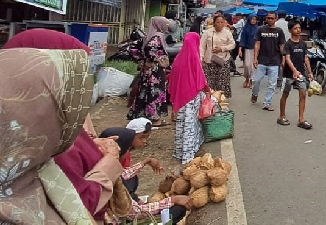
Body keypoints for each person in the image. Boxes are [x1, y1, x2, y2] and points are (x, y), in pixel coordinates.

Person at [0, 46, 121, 224]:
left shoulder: (31, 163)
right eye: (59, 102)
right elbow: (84, 201)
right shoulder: (49, 154)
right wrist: (109, 163)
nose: (72, 112)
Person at [100, 127, 191, 224]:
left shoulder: (101, 167)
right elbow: (133, 213)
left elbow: (124, 174)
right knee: (178, 210)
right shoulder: (108, 180)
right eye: (127, 149)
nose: (127, 153)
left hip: (124, 213)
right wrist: (172, 200)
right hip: (121, 219)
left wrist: (146, 161)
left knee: (132, 178)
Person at [169, 32, 210, 164]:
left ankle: (179, 151)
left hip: (180, 97)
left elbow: (172, 79)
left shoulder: (178, 58)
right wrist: (207, 90)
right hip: (192, 97)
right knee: (190, 124)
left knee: (181, 124)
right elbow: (200, 78)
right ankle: (188, 154)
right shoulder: (194, 58)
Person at [128, 16, 171, 126]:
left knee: (145, 92)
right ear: (159, 25)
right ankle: (155, 119)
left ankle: (141, 116)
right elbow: (150, 49)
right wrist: (155, 59)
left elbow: (132, 47)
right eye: (165, 24)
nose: (167, 26)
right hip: (155, 71)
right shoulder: (157, 37)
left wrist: (141, 59)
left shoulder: (149, 36)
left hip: (147, 70)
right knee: (155, 92)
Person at [278, 21, 314, 129]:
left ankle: (301, 119)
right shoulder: (288, 44)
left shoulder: (303, 44)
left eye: (299, 28)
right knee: (285, 94)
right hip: (288, 75)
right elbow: (287, 59)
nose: (298, 30)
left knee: (303, 94)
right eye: (295, 28)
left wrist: (310, 72)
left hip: (301, 75)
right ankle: (281, 116)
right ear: (290, 30)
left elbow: (306, 58)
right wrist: (294, 71)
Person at [121, 118, 164, 199]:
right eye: (141, 137)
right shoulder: (121, 152)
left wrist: (147, 161)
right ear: (131, 136)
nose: (145, 141)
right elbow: (120, 177)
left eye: (147, 137)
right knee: (131, 179)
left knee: (133, 178)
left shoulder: (127, 150)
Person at [252, 11, 286, 111]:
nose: (270, 20)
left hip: (275, 61)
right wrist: (255, 58)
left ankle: (267, 103)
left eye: (272, 18)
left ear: (276, 19)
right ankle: (255, 94)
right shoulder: (260, 29)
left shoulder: (279, 31)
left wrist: (283, 58)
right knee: (256, 81)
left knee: (272, 84)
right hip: (262, 60)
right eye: (268, 18)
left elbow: (282, 46)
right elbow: (257, 44)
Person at [200, 15, 236, 98]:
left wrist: (222, 49)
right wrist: (201, 58)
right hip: (209, 61)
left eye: (222, 22)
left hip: (223, 60)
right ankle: (211, 99)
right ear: (214, 23)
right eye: (218, 22)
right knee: (210, 81)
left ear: (224, 23)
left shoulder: (227, 33)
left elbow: (232, 45)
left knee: (223, 81)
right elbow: (202, 46)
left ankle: (222, 99)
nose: (220, 24)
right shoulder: (207, 32)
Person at [238, 15, 260, 88]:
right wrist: (240, 49)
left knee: (253, 66)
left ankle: (251, 80)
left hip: (255, 50)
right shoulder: (245, 29)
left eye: (255, 19)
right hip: (247, 49)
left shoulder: (258, 29)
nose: (253, 21)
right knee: (247, 65)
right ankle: (247, 78)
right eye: (252, 19)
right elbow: (242, 39)